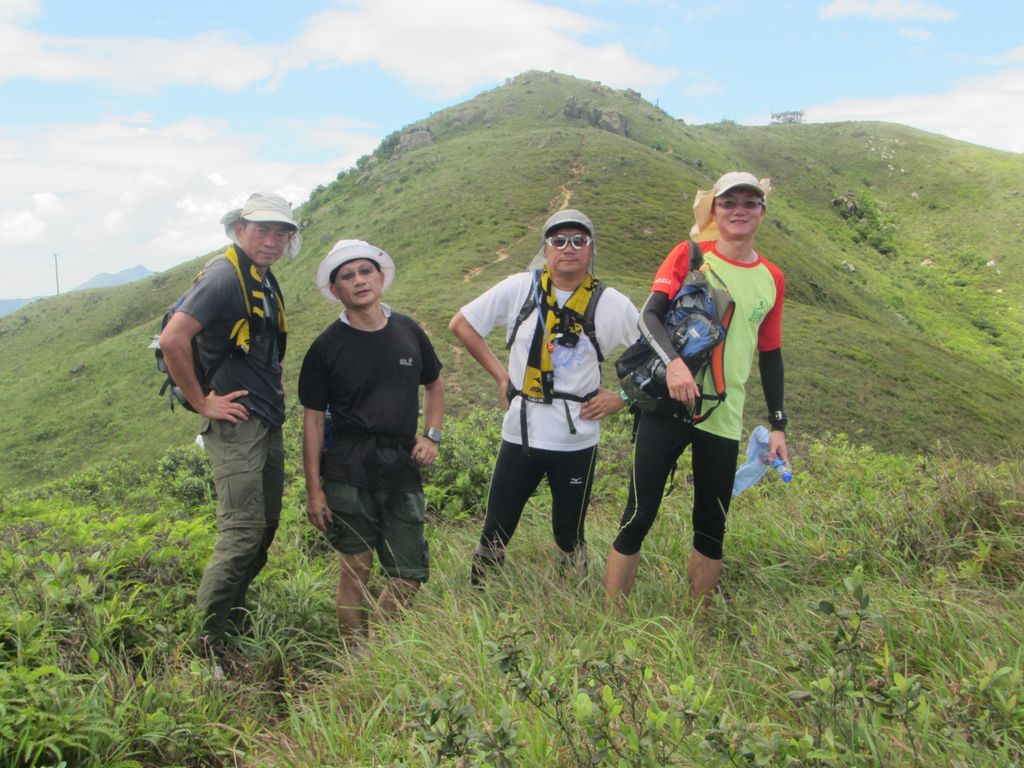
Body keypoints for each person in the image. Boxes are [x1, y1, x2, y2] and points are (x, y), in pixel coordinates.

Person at [604, 171, 790, 608]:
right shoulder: (689, 255)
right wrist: (674, 365)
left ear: (762, 212)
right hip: (667, 405)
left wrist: (778, 424)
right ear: (714, 210)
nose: (739, 210)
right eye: (729, 202)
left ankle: (700, 623)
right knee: (638, 514)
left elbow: (771, 353)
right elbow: (649, 316)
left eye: (749, 202)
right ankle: (611, 620)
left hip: (723, 413)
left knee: (712, 525)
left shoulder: (772, 278)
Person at [449, 209, 639, 583]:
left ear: (591, 249)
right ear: (546, 248)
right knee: (495, 529)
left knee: (569, 534)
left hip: (577, 439)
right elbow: (462, 324)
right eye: (558, 240)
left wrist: (622, 397)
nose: (569, 248)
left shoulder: (611, 302)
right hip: (521, 433)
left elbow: (653, 354)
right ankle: (480, 597)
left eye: (579, 240)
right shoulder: (520, 288)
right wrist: (501, 376)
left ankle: (573, 598)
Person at [158, 191, 300, 665]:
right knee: (242, 532)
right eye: (262, 230)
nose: (272, 241)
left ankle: (231, 625)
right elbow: (172, 339)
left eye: (281, 233)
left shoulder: (262, 278)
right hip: (237, 423)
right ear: (240, 230)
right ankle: (204, 649)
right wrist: (202, 402)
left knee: (264, 529)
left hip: (265, 418)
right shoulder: (224, 275)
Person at [299, 240, 444, 651]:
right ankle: (356, 659)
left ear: (380, 277)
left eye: (365, 271)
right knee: (355, 570)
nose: (359, 280)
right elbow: (312, 421)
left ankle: (378, 648)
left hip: (400, 463)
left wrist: (431, 435)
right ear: (336, 290)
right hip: (347, 467)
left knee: (409, 574)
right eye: (347, 276)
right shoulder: (326, 347)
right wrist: (314, 491)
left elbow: (434, 384)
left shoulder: (408, 331)